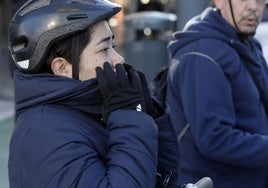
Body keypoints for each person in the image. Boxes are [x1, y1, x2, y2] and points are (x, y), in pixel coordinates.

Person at [8, 0, 179, 187]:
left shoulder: (90, 110)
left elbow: (160, 179)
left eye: (113, 46)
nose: (119, 59)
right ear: (62, 67)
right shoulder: (44, 134)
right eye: (104, 49)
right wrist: (130, 119)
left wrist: (148, 116)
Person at [165, 0, 268, 187]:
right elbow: (215, 138)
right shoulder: (201, 55)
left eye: (260, 0)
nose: (253, 6)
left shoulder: (247, 43)